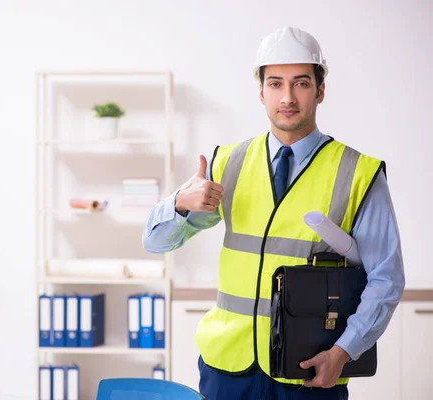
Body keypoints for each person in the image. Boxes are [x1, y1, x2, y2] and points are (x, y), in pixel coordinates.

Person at [142, 26, 405, 400]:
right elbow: (154, 243)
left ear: (320, 90)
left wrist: (344, 351)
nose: (287, 97)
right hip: (227, 369)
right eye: (276, 83)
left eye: (300, 83)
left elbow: (387, 278)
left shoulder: (358, 173)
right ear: (261, 91)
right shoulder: (227, 162)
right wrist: (179, 204)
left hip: (310, 369)